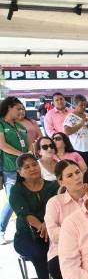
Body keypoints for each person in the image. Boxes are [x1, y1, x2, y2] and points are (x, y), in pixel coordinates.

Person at [9, 153, 59, 279]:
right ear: (20, 172)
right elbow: (25, 214)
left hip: (52, 232)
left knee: (66, 250)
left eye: (35, 164)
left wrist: (49, 226)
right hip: (26, 236)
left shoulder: (53, 186)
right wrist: (43, 226)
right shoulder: (16, 190)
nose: (32, 168)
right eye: (27, 167)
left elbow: (59, 208)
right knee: (39, 254)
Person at [45, 159, 85, 279]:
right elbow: (54, 235)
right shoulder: (55, 202)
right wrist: (81, 234)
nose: (76, 177)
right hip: (61, 255)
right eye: (69, 175)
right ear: (61, 182)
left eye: (77, 172)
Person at [0, 96, 29, 240]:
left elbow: (27, 144)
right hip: (10, 168)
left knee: (27, 197)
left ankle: (26, 229)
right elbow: (2, 145)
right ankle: (1, 230)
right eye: (18, 108)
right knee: (13, 200)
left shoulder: (20, 126)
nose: (21, 111)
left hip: (25, 167)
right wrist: (22, 155)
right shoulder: (1, 124)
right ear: (9, 107)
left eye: (22, 109)